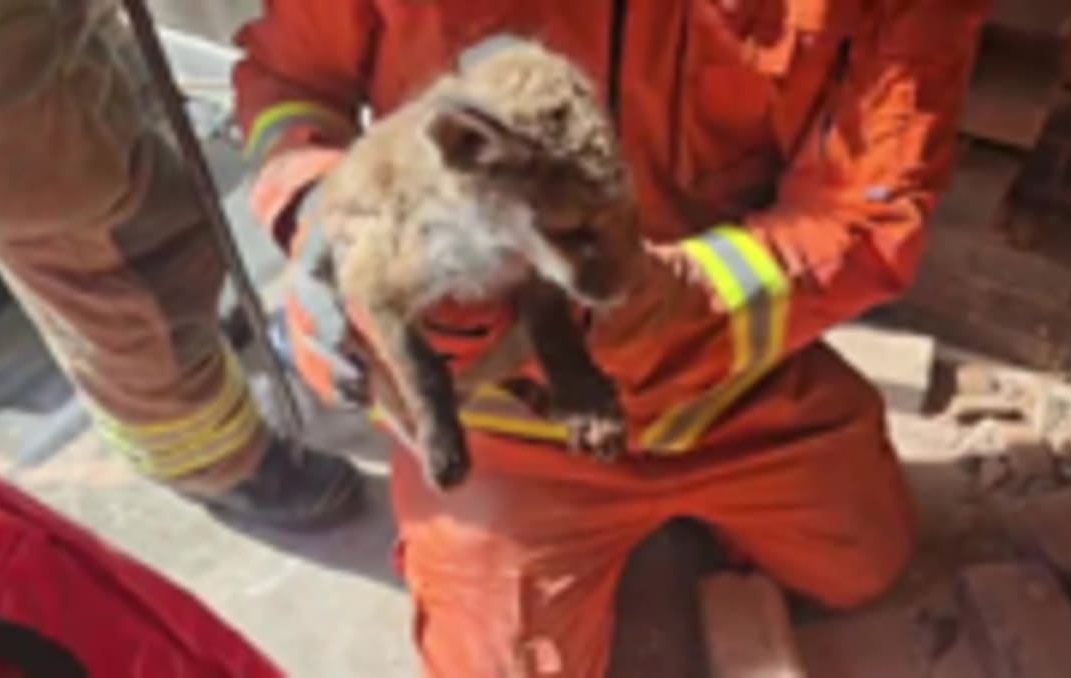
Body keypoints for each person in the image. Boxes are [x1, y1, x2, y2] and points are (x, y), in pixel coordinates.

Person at [233, 0, 988, 675]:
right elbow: (290, 78)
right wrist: (311, 203)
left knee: (864, 562)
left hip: (722, 374)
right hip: (509, 414)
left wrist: (682, 296)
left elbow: (869, 209)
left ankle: (704, 496)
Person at [0, 1, 363, 531]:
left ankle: (197, 347)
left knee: (135, 188)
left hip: (15, 49)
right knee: (130, 279)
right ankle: (217, 463)